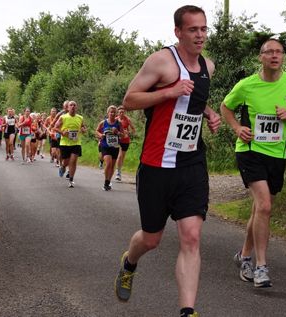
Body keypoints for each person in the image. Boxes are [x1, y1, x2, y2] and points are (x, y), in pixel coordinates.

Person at [114, 6, 221, 317]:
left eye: (203, 29)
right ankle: (129, 262)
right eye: (193, 30)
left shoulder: (208, 66)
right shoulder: (161, 61)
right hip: (157, 164)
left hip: (191, 163)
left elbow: (196, 101)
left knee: (191, 235)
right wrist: (169, 92)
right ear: (178, 32)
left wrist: (210, 113)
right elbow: (129, 100)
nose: (200, 35)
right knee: (151, 238)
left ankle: (187, 311)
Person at [220, 38, 286, 288]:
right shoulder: (247, 85)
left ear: (283, 57)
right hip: (250, 151)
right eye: (269, 52)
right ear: (261, 57)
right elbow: (226, 107)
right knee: (265, 206)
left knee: (260, 210)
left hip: (277, 155)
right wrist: (237, 128)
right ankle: (261, 267)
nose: (275, 56)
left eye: (279, 52)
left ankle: (244, 255)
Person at [55, 100, 86, 188]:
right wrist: (62, 132)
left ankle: (71, 179)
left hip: (76, 143)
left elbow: (83, 127)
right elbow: (55, 128)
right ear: (68, 108)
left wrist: (83, 130)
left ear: (76, 107)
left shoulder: (80, 117)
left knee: (73, 161)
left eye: (74, 105)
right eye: (71, 105)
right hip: (65, 143)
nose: (72, 106)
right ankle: (63, 167)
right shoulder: (63, 117)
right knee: (66, 162)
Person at [96, 105, 123, 191]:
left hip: (115, 146)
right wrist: (101, 135)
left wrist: (117, 132)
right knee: (108, 163)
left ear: (116, 114)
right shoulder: (103, 123)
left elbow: (123, 135)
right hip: (105, 146)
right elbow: (96, 131)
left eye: (114, 112)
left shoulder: (119, 123)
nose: (112, 113)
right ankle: (105, 181)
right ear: (108, 113)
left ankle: (108, 182)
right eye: (111, 112)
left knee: (112, 166)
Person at [115, 105, 136, 181]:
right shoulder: (116, 120)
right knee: (120, 156)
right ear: (118, 113)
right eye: (120, 112)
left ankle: (119, 170)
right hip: (118, 140)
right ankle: (118, 173)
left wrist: (128, 132)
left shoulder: (127, 119)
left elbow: (133, 130)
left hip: (126, 140)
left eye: (123, 112)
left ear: (125, 112)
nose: (121, 113)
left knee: (122, 157)